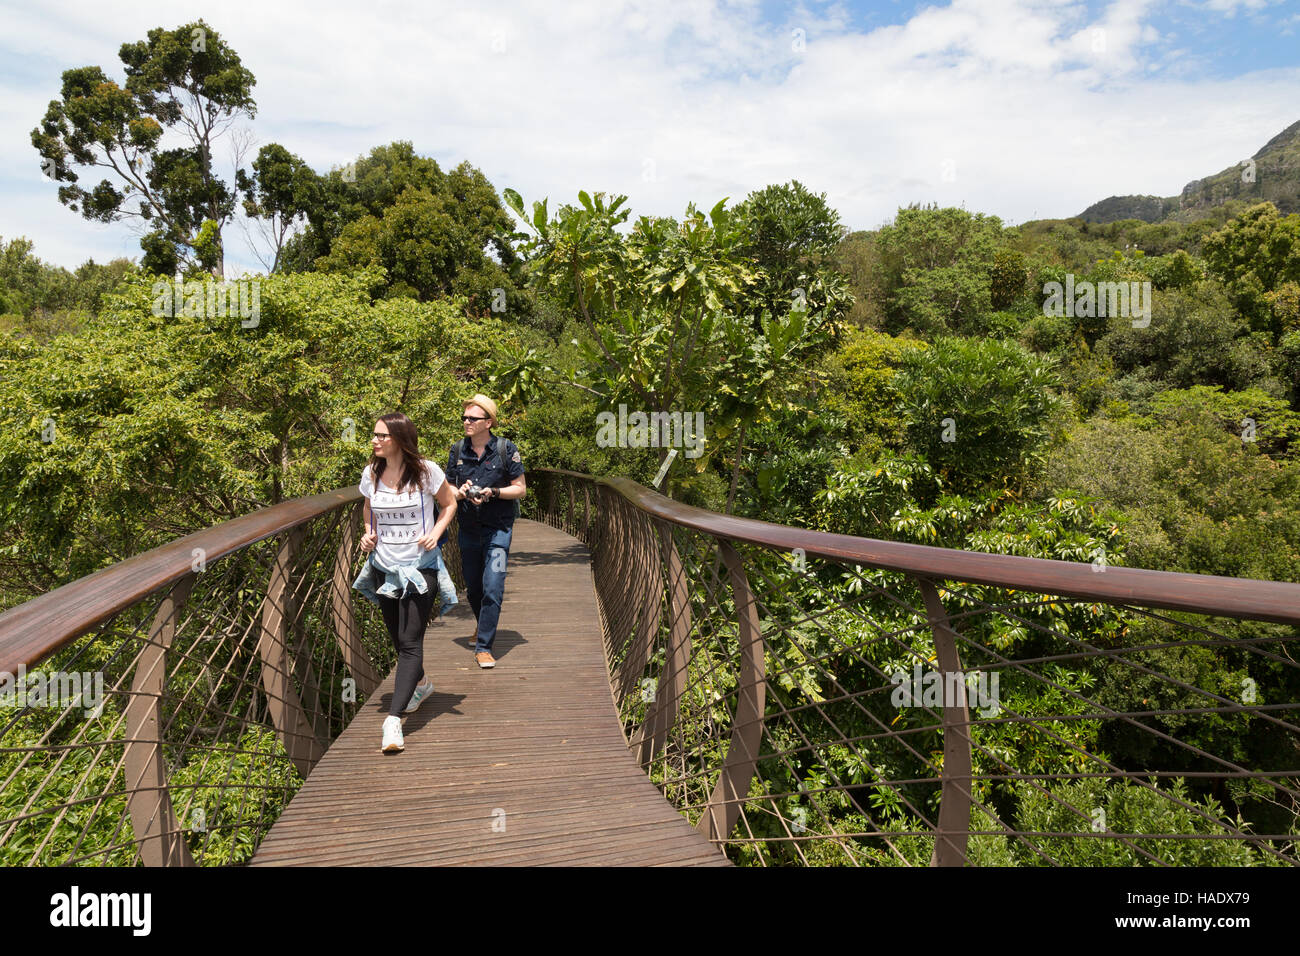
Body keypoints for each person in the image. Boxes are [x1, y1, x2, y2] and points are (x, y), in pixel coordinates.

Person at [353, 412, 457, 753]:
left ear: (400, 438)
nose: (375, 440)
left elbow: (449, 504)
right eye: (373, 435)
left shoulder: (426, 472)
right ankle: (422, 683)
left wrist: (436, 533)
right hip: (385, 569)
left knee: (410, 640)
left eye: (382, 436)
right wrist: (368, 534)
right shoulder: (372, 474)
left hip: (419, 569)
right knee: (398, 638)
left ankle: (393, 721)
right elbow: (369, 510)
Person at [445, 394, 525, 669]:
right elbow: (447, 491)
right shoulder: (457, 450)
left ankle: (484, 647)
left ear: (488, 422)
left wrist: (495, 492)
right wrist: (461, 492)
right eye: (464, 418)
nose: (466, 422)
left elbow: (520, 489)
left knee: (493, 585)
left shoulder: (506, 449)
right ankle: (482, 626)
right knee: (474, 588)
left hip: (499, 531)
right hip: (468, 530)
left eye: (473, 418)